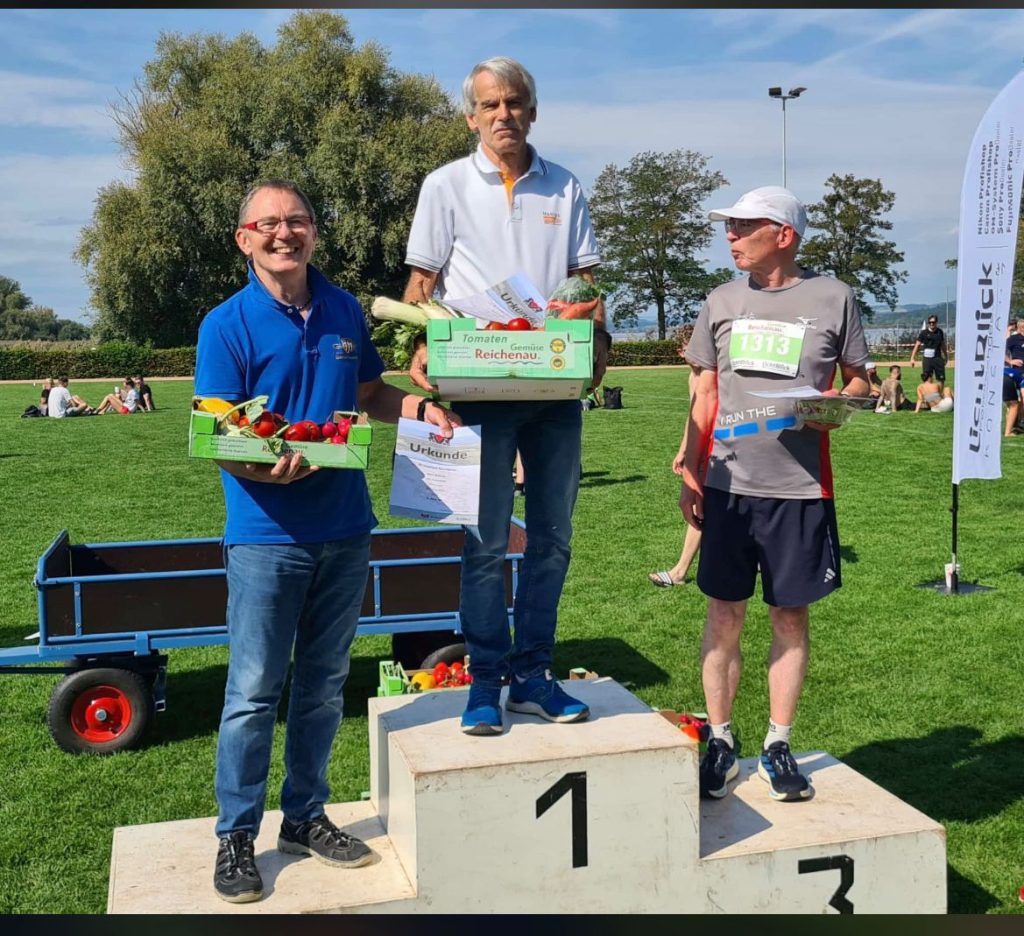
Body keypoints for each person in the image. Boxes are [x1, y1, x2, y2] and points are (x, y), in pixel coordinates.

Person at [194, 179, 459, 904]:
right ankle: (235, 834)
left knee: (323, 686)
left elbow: (370, 393)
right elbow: (216, 429)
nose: (284, 233)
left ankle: (304, 817)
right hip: (266, 536)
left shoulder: (343, 308)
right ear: (245, 239)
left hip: (345, 528)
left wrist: (422, 409)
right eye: (268, 223)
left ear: (314, 232)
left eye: (298, 220)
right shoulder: (226, 324)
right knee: (253, 692)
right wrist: (261, 468)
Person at [403, 56, 610, 736]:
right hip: (476, 388)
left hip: (554, 388)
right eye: (490, 104)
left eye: (514, 102)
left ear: (532, 111)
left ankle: (534, 676)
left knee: (552, 539)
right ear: (471, 117)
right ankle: (486, 680)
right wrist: (419, 344)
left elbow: (586, 286)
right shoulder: (444, 185)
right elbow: (421, 286)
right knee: (486, 542)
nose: (503, 114)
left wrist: (600, 346)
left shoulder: (565, 186)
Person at [678, 185, 869, 804]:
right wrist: (689, 466)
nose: (730, 236)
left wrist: (840, 403)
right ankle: (721, 741)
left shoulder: (834, 297)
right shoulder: (721, 300)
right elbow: (705, 391)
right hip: (727, 486)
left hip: (800, 489)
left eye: (743, 226)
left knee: (789, 616)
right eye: (728, 226)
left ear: (784, 235)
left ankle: (778, 744)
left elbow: (859, 382)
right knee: (723, 615)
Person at [651, 366, 702, 587]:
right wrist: (684, 451)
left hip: (717, 446)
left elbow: (701, 417)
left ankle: (679, 572)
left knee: (700, 508)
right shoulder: (695, 376)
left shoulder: (708, 374)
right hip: (707, 446)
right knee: (702, 508)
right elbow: (694, 418)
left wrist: (690, 455)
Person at [908, 315, 948, 387]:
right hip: (927, 359)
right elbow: (917, 345)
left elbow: (943, 345)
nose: (931, 324)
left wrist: (946, 356)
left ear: (936, 322)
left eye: (933, 322)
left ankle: (940, 393)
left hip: (938, 358)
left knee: (941, 379)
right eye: (930, 322)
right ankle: (929, 394)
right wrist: (912, 358)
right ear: (928, 323)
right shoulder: (924, 333)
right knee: (927, 379)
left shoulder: (940, 332)